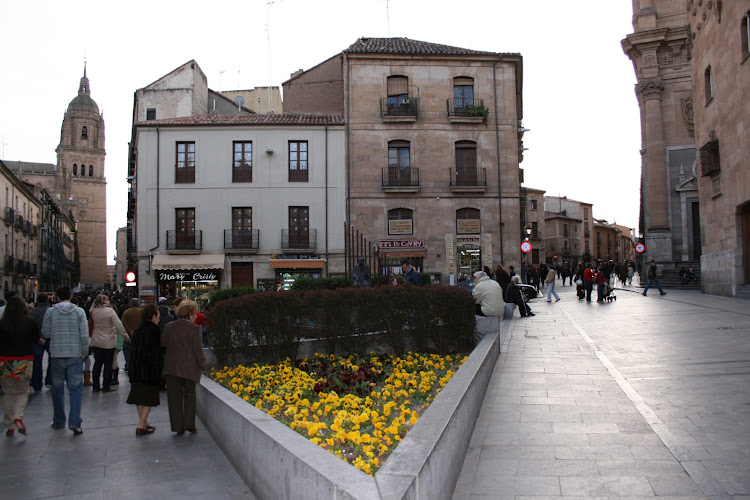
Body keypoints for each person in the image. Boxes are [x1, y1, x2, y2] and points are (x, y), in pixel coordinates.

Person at [42, 286, 89, 435]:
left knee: (57, 389)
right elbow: (84, 335)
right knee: (75, 390)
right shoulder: (79, 312)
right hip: (74, 354)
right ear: (70, 295)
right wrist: (83, 353)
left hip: (57, 354)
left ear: (56, 297)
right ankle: (75, 422)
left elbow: (45, 332)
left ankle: (58, 420)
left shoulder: (51, 312)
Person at [162, 300, 205, 435]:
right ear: (191, 314)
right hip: (189, 366)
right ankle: (189, 424)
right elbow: (198, 350)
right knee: (190, 395)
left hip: (171, 365)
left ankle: (177, 426)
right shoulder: (194, 329)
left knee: (173, 397)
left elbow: (163, 343)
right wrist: (202, 363)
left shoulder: (168, 326)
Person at [0, 296, 42, 436]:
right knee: (23, 391)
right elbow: (36, 339)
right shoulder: (29, 322)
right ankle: (18, 416)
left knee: (8, 393)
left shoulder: (2, 324)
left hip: (4, 360)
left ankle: (10, 424)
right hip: (24, 360)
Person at [127, 304, 163, 436]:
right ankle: (141, 425)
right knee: (149, 397)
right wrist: (158, 366)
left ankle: (145, 422)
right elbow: (154, 351)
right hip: (148, 369)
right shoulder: (153, 330)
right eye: (157, 315)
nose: (159, 317)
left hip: (136, 368)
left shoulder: (138, 330)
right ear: (153, 316)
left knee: (138, 396)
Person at [89, 294, 129, 392]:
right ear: (105, 301)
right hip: (109, 340)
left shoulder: (93, 311)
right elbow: (118, 324)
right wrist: (125, 336)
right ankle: (106, 385)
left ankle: (96, 385)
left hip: (96, 340)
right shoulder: (110, 311)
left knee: (97, 364)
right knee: (108, 364)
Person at [29, 293, 52, 392]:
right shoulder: (51, 311)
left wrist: (38, 337)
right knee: (52, 360)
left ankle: (36, 384)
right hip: (50, 339)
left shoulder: (32, 312)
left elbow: (31, 326)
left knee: (37, 362)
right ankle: (50, 381)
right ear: (47, 300)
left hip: (37, 340)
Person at [120, 298, 142, 372]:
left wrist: (129, 330)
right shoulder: (141, 312)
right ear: (138, 303)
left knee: (128, 351)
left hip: (129, 335)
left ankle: (128, 365)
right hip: (139, 335)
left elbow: (123, 323)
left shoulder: (126, 312)